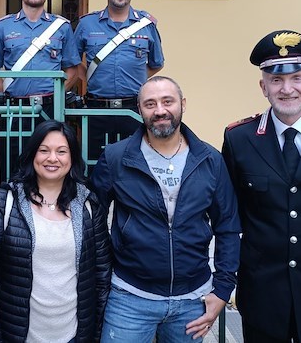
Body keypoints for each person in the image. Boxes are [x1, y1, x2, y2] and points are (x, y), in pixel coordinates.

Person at [91, 76, 240, 342]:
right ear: (139, 109)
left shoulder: (210, 160)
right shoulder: (116, 158)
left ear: (182, 104)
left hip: (192, 300)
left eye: (167, 101)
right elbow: (91, 219)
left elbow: (228, 226)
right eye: (150, 103)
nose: (160, 110)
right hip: (130, 297)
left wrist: (222, 291)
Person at [0, 120, 111, 342]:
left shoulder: (88, 206)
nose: (52, 158)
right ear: (32, 155)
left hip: (74, 335)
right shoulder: (5, 202)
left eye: (62, 151)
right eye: (43, 150)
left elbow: (102, 276)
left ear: (72, 158)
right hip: (17, 335)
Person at [222, 30, 301, 343]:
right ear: (263, 86)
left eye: (297, 78)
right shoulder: (240, 139)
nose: (287, 89)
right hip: (263, 292)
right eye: (276, 80)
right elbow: (228, 215)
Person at [0, 0, 81, 181]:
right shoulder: (2, 27)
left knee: (51, 170)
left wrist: (58, 94)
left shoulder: (61, 27)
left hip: (49, 110)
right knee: (13, 169)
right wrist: (6, 93)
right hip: (14, 110)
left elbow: (72, 70)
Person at [74, 0, 164, 168]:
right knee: (94, 169)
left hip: (132, 110)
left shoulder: (146, 25)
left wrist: (134, 77)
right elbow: (73, 62)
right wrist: (91, 79)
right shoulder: (87, 24)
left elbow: (156, 64)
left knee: (134, 168)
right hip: (96, 111)